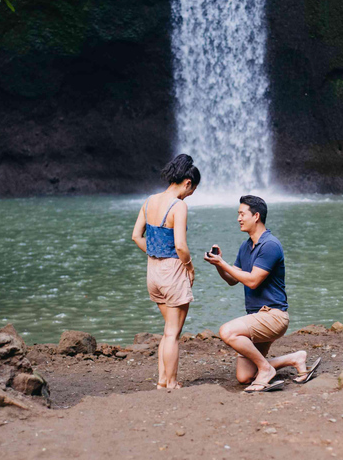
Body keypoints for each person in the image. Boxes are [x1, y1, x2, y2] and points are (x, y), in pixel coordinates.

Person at [204, 195, 320, 392]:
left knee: (227, 331)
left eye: (242, 214)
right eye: (238, 214)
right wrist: (218, 263)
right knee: (244, 376)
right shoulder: (245, 246)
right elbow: (233, 280)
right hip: (257, 317)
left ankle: (266, 368)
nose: (238, 218)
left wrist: (222, 264)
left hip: (273, 316)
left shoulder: (270, 245)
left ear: (256, 216)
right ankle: (294, 358)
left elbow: (252, 280)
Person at [132, 154, 200, 390]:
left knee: (167, 330)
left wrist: (155, 253)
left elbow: (136, 236)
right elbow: (180, 245)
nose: (189, 196)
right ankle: (170, 382)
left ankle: (162, 380)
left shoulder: (150, 200)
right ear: (187, 183)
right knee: (173, 332)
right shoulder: (178, 205)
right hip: (173, 271)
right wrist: (189, 266)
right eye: (191, 191)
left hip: (153, 271)